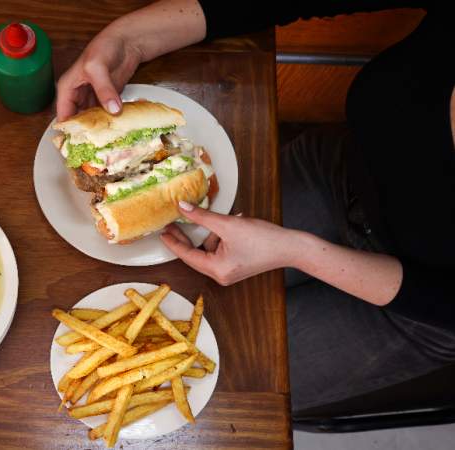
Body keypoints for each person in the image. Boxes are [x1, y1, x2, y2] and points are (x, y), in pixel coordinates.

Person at [55, 0, 455, 412]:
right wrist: (129, 39)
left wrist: (297, 251)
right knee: (178, 285)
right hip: (337, 170)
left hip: (414, 305)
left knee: (223, 379)